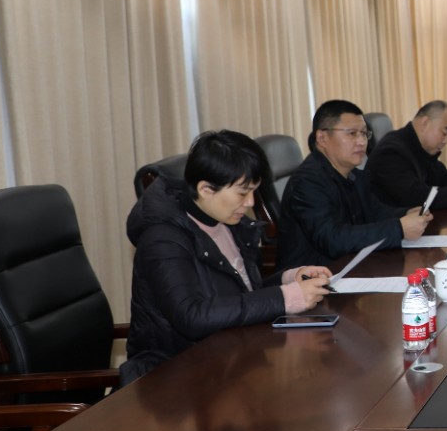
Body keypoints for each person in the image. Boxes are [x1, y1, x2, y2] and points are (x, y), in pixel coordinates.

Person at [122, 130, 334, 385]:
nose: (251, 202)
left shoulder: (228, 221)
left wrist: (290, 279)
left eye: (254, 191)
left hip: (229, 361)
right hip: (174, 376)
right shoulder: (163, 239)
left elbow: (243, 293)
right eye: (242, 193)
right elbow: (192, 316)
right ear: (206, 189)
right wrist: (285, 297)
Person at [277, 99, 431, 270]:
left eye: (364, 134)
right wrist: (399, 228)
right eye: (352, 134)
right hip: (315, 277)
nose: (362, 142)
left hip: (352, 267)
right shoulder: (307, 182)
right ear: (322, 138)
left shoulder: (353, 175)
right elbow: (333, 240)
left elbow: (375, 212)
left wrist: (406, 213)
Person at [368, 100, 447, 210]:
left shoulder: (419, 147)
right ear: (425, 123)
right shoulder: (391, 152)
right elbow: (417, 197)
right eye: (444, 133)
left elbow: (443, 176)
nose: (446, 141)